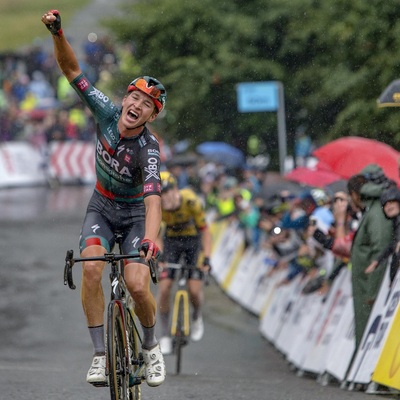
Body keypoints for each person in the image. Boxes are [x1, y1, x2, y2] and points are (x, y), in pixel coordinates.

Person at [41, 10, 166, 387]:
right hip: (101, 205)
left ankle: (150, 346)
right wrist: (58, 33)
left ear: (151, 116)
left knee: (138, 283)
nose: (136, 105)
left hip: (133, 216)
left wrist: (151, 239)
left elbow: (154, 201)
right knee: (92, 268)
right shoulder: (107, 112)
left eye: (147, 104)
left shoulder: (148, 148)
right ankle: (100, 353)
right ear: (125, 97)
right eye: (134, 96)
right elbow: (71, 71)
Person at [157, 171, 212, 355]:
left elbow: (205, 231)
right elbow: (156, 234)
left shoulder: (191, 201)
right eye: (160, 194)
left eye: (167, 192)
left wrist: (207, 258)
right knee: (164, 288)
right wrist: (160, 256)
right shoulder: (158, 206)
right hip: (171, 243)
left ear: (175, 190)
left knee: (194, 289)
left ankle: (196, 316)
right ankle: (164, 334)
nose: (165, 198)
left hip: (192, 243)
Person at [347, 164, 393, 350]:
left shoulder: (376, 213)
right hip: (366, 285)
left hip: (370, 288)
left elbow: (379, 248)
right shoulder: (372, 210)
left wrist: (372, 291)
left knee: (368, 333)